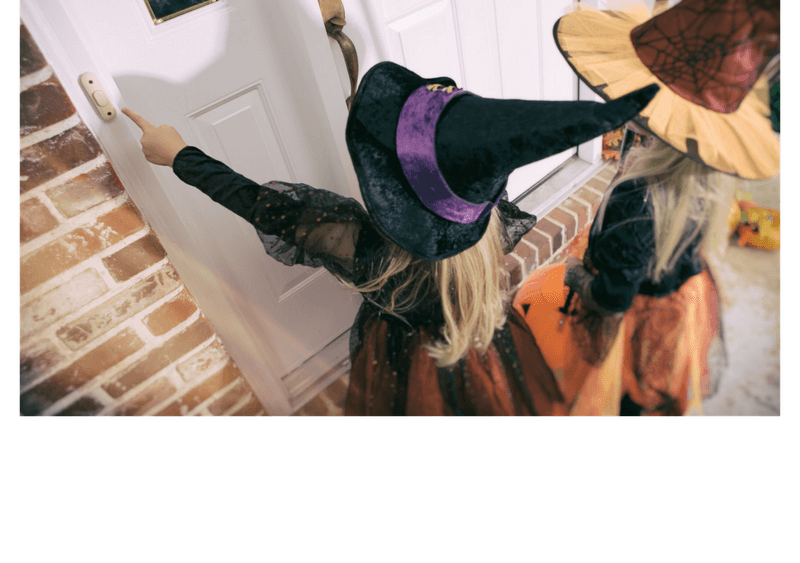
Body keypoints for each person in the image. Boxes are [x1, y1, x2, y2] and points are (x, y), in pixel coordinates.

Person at [123, 60, 658, 416]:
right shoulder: (487, 218)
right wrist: (341, 44)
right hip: (483, 344)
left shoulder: (364, 249)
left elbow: (261, 206)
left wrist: (180, 157)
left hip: (402, 363)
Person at [515, 0, 781, 417]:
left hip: (635, 319)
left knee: (625, 392)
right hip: (681, 297)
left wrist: (576, 274)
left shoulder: (636, 201)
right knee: (661, 386)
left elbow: (614, 299)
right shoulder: (705, 179)